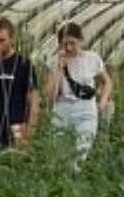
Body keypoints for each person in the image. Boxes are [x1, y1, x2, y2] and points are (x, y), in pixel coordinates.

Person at [46, 23, 111, 151]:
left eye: (72, 43)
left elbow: (107, 82)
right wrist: (59, 68)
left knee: (82, 150)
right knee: (59, 152)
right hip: (62, 108)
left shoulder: (92, 58)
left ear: (81, 41)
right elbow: (50, 97)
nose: (68, 48)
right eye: (64, 44)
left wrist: (103, 101)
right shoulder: (54, 61)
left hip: (86, 108)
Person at [0, 17, 39, 150]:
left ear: (12, 39)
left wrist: (29, 132)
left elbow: (33, 101)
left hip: (14, 134)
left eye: (2, 40)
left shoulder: (23, 64)